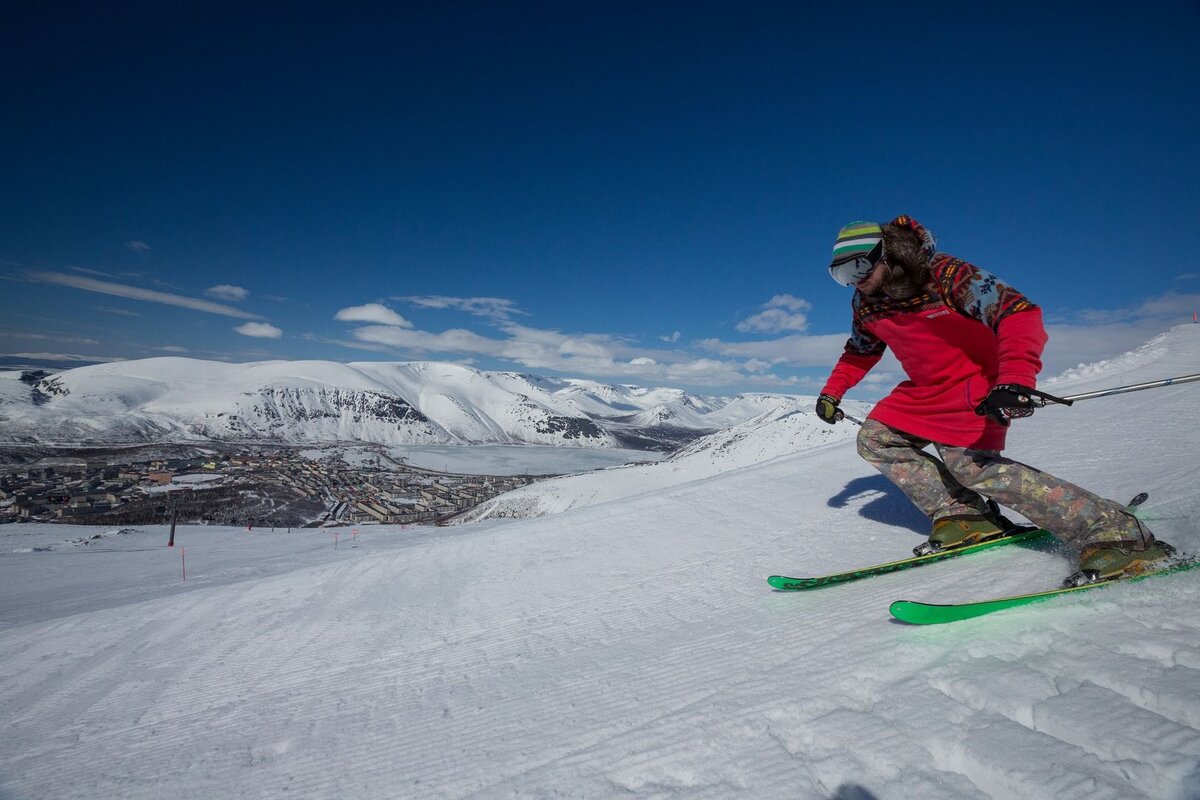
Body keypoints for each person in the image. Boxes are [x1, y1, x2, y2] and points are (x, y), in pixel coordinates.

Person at [815, 215, 1173, 587]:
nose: (853, 280)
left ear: (885, 254)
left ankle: (1117, 534)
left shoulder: (945, 274)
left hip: (977, 383)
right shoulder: (866, 301)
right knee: (876, 439)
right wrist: (833, 391)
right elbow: (860, 350)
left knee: (973, 467)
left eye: (857, 267)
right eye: (840, 275)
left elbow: (1017, 313)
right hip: (926, 389)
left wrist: (1015, 379)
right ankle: (964, 515)